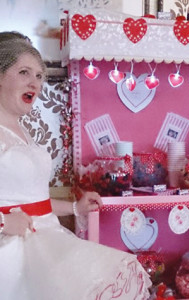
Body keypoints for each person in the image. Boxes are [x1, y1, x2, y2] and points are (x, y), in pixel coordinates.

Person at [0, 36, 151, 299]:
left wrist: (73, 208)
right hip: (13, 252)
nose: (34, 83)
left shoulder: (22, 132)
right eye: (23, 72)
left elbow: (35, 201)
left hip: (46, 240)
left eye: (38, 75)